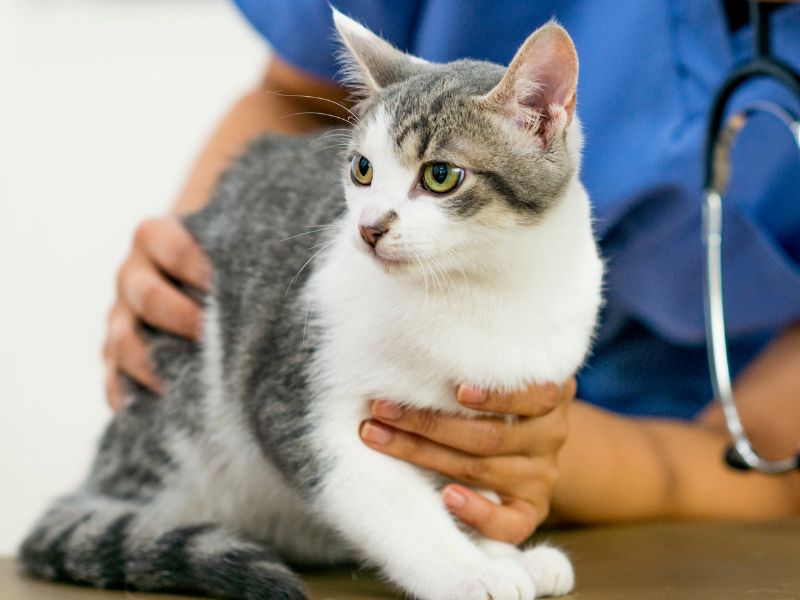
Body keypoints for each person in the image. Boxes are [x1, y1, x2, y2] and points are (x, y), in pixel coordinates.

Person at [103, 0, 800, 544]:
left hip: (671, 490)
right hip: (333, 440)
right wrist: (193, 267)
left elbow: (775, 464)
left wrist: (541, 451)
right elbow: (294, 98)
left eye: (440, 176)